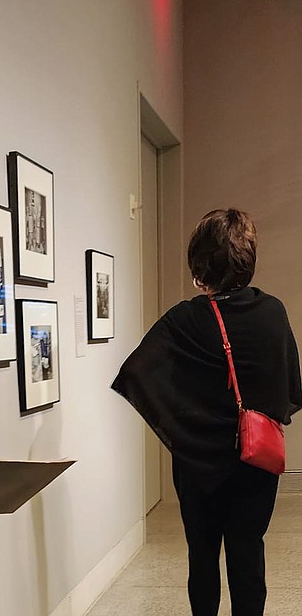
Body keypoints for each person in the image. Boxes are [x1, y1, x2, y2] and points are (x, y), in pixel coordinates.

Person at [111, 209, 302, 616]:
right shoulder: (273, 311)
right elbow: (288, 388)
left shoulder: (185, 319)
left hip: (198, 464)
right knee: (248, 555)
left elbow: (136, 374)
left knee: (202, 557)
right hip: (256, 461)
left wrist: (182, 426)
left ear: (199, 266)